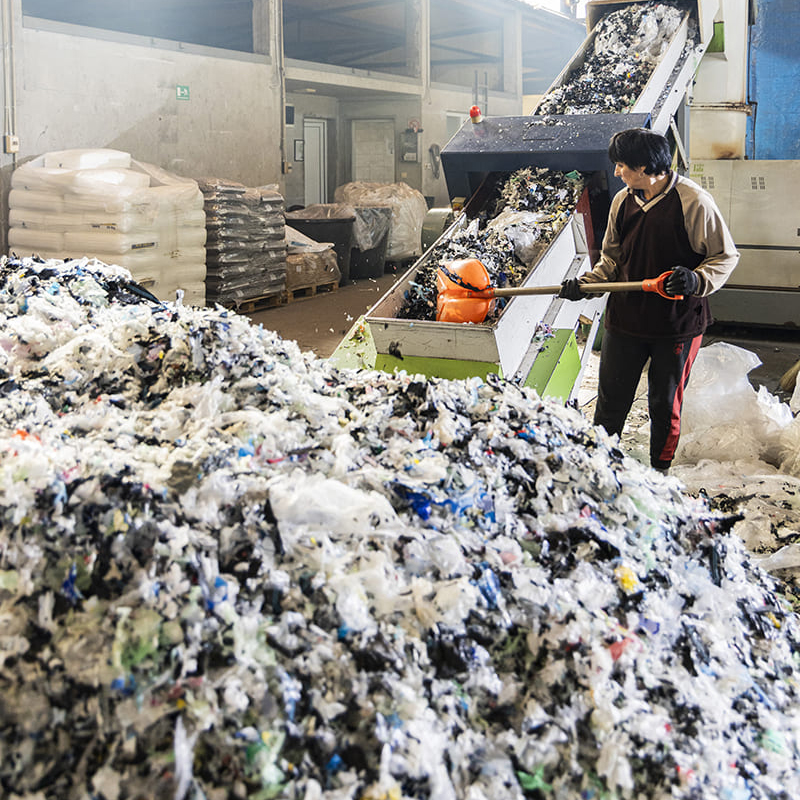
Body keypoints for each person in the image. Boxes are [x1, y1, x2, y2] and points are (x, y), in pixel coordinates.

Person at [559, 127, 739, 473]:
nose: (616, 172)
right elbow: (611, 261)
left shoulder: (693, 201)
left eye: (621, 165)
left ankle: (660, 473)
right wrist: (583, 287)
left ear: (643, 167)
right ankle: (600, 467)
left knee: (664, 404)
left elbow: (724, 256)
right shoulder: (622, 201)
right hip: (625, 319)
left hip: (676, 325)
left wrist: (696, 279)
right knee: (610, 401)